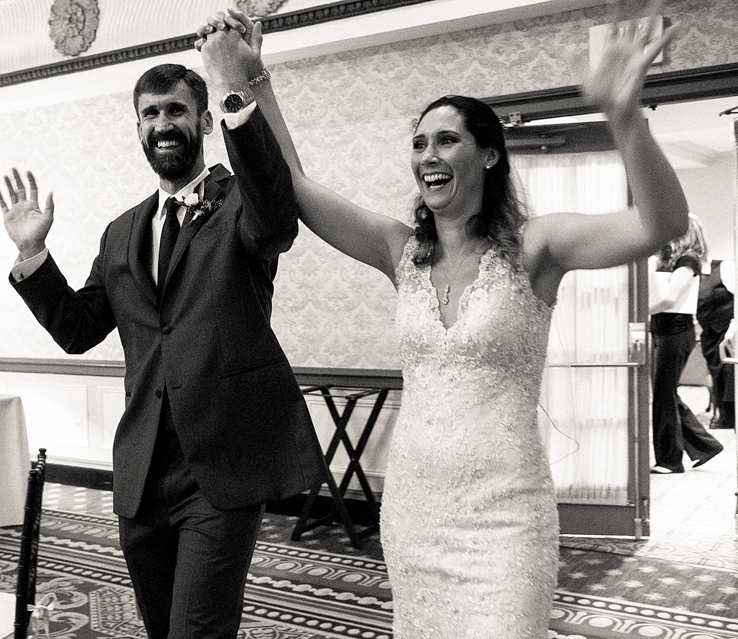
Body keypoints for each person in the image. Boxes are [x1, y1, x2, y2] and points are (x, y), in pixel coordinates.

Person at [196, 2, 687, 636]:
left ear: (487, 156)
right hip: (415, 512)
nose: (428, 152)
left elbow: (661, 224)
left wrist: (624, 119)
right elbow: (292, 184)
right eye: (420, 142)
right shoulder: (401, 253)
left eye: (447, 139)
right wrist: (254, 80)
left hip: (505, 520)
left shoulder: (536, 248)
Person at [0, 63, 324, 639]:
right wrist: (33, 254)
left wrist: (238, 97)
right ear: (138, 129)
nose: (163, 124)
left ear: (203, 121)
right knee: (162, 629)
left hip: (220, 469)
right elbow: (78, 330)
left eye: (175, 110)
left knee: (197, 630)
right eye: (150, 114)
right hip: (143, 474)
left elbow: (276, 223)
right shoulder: (120, 233)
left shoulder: (241, 203)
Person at [649, 215, 724, 473]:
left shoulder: (688, 260)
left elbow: (670, 299)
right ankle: (706, 447)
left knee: (663, 396)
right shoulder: (673, 261)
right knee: (666, 395)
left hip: (675, 333)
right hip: (663, 331)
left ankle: (670, 460)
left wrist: (640, 310)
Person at [696, 258, 735, 429]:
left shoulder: (726, 269)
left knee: (727, 373)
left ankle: (728, 416)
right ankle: (725, 415)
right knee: (719, 375)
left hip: (725, 331)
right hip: (712, 332)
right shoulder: (696, 273)